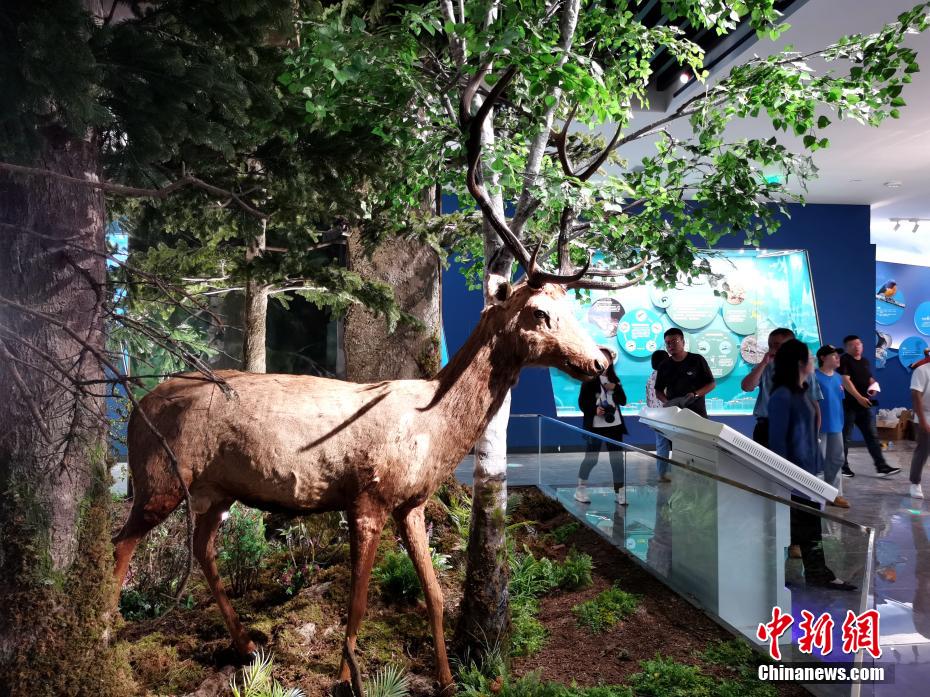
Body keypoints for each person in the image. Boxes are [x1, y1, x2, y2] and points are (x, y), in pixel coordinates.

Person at [768, 339, 856, 591]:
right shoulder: (782, 395)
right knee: (796, 525)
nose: (813, 360)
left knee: (810, 524)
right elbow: (778, 441)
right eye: (809, 356)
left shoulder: (802, 390)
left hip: (805, 471)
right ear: (799, 362)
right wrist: (786, 476)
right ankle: (782, 576)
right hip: (793, 474)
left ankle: (818, 572)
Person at [741, 328, 822, 447]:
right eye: (770, 345)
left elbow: (815, 406)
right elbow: (746, 387)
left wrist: (814, 435)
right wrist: (763, 363)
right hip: (766, 428)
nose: (773, 349)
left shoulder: (805, 371)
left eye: (777, 345)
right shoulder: (764, 367)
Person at [839, 334, 901, 477]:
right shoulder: (845, 360)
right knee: (845, 438)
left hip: (864, 406)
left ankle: (882, 467)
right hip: (848, 406)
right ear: (847, 348)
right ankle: (843, 467)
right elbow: (845, 380)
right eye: (852, 345)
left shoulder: (864, 361)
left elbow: (868, 378)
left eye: (858, 344)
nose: (856, 347)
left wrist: (873, 385)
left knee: (872, 437)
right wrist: (859, 397)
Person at [575, 347, 629, 506]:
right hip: (595, 426)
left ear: (611, 361)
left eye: (607, 358)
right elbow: (582, 403)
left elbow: (623, 401)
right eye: (601, 357)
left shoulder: (615, 379)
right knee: (591, 459)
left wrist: (616, 387)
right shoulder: (588, 379)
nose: (604, 361)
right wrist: (594, 409)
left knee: (617, 460)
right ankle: (580, 489)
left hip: (615, 425)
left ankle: (619, 492)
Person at [815, 345, 849, 508]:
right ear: (823, 358)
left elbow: (837, 401)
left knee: (836, 459)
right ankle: (816, 493)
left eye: (838, 356)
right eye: (834, 356)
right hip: (819, 427)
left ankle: (835, 494)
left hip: (836, 425)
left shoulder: (838, 378)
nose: (838, 358)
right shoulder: (813, 377)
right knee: (819, 461)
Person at [654, 328, 716, 418]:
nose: (670, 345)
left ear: (683, 342)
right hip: (674, 414)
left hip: (697, 413)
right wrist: (668, 403)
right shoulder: (664, 365)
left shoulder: (697, 360)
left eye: (674, 341)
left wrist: (695, 394)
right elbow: (658, 391)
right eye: (667, 343)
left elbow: (711, 384)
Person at [646, 349, 673, 482]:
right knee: (676, 445)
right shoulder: (666, 376)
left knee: (661, 445)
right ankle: (674, 473)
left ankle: (662, 473)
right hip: (668, 416)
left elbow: (648, 399)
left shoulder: (651, 377)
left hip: (655, 417)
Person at [909, 359, 930, 499]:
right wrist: (922, 420)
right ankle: (915, 483)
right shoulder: (922, 370)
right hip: (925, 415)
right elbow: (916, 396)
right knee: (923, 450)